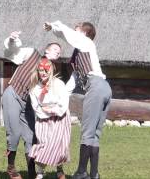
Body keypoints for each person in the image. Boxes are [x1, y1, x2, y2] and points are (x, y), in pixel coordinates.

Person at [44, 21, 112, 179]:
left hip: (96, 86)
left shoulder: (86, 43)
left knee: (87, 133)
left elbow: (68, 35)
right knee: (94, 134)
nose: (74, 32)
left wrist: (56, 24)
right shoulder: (78, 56)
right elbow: (71, 85)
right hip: (104, 88)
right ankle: (94, 174)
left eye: (77, 30)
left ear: (84, 33)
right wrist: (58, 102)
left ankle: (81, 172)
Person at [2, 31, 62, 179]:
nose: (58, 53)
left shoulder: (50, 72)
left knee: (31, 137)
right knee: (14, 133)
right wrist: (11, 40)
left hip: (28, 104)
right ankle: (11, 168)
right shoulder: (32, 53)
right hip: (13, 94)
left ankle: (31, 172)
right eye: (55, 49)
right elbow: (12, 53)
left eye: (59, 53)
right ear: (46, 50)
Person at [28, 58, 71, 179]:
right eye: (41, 70)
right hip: (43, 120)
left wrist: (53, 110)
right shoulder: (34, 88)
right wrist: (45, 113)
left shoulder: (59, 84)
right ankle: (40, 172)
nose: (43, 73)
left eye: (46, 70)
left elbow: (63, 104)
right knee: (44, 145)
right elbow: (36, 107)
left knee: (58, 145)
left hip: (60, 118)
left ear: (51, 70)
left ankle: (59, 170)